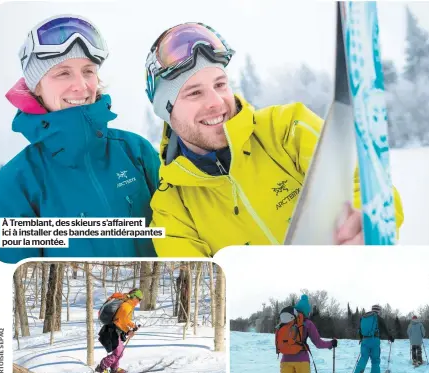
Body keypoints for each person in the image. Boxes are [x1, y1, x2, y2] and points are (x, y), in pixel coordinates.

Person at [145, 22, 404, 257]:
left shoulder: (286, 128)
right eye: (194, 93)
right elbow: (200, 287)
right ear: (167, 111)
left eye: (220, 85)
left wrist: (365, 224)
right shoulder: (171, 208)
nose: (216, 102)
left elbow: (362, 185)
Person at [0, 14, 159, 263]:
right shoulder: (14, 186)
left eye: (88, 71)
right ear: (36, 86)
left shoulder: (136, 152)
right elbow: (20, 289)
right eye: (63, 73)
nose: (80, 85)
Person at [264, 295, 336, 373]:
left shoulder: (286, 321)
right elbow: (318, 343)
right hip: (302, 360)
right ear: (307, 311)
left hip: (286, 359)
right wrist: (331, 344)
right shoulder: (307, 323)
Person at [96, 288, 143, 373]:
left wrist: (132, 326)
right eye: (139, 299)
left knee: (119, 351)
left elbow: (125, 319)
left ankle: (114, 369)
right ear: (134, 297)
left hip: (115, 330)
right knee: (118, 352)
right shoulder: (126, 305)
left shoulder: (128, 304)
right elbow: (119, 321)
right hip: (113, 331)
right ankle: (102, 366)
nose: (139, 301)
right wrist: (128, 331)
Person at [354, 304, 394, 373]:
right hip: (374, 340)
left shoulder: (364, 317)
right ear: (378, 311)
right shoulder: (378, 318)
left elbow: (360, 329)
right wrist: (390, 337)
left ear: (372, 309)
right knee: (375, 359)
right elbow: (385, 329)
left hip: (364, 340)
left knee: (363, 358)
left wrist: (361, 338)